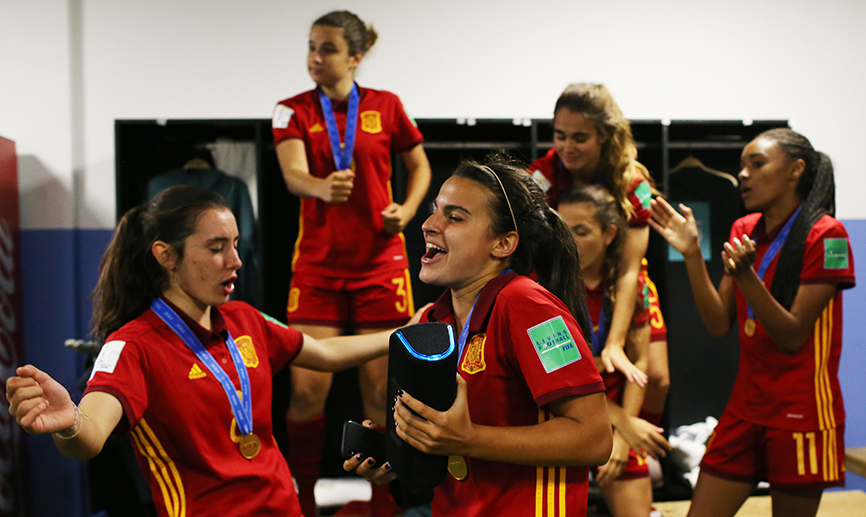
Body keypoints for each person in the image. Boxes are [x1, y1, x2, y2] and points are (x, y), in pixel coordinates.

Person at [5, 185, 412, 517]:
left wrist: (405, 332)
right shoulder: (131, 345)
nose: (235, 260)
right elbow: (90, 435)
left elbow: (325, 355)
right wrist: (69, 422)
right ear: (166, 255)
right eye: (217, 248)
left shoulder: (245, 319)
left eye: (235, 245)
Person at [345, 155, 613, 517]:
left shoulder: (528, 306)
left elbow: (594, 438)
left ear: (503, 244)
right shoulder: (433, 318)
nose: (428, 225)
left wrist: (469, 438)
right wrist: (399, 450)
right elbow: (453, 440)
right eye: (435, 211)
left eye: (454, 217)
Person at [271, 10, 431, 516]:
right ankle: (302, 498)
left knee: (380, 392)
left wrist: (406, 211)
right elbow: (293, 174)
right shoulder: (291, 109)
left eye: (328, 49)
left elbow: (420, 164)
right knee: (307, 390)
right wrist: (322, 186)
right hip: (317, 268)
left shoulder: (387, 106)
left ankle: (383, 501)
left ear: (355, 56)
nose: (316, 58)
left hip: (380, 265)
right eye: (312, 48)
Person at [649, 128, 853, 517]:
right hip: (745, 408)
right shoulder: (744, 229)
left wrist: (746, 277)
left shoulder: (829, 235)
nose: (743, 174)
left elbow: (792, 336)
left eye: (756, 164)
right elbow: (717, 324)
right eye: (741, 165)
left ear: (796, 170)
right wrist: (693, 254)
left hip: (802, 413)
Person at [527, 83, 663, 394]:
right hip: (561, 279)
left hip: (621, 282)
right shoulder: (541, 177)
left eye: (580, 138)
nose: (567, 147)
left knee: (656, 378)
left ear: (604, 135)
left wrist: (614, 343)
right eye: (560, 135)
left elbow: (631, 269)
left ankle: (639, 441)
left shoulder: (633, 184)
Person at [558, 186, 671, 517]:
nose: (571, 241)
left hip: (619, 411)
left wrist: (624, 437)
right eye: (564, 231)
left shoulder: (634, 286)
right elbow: (560, 377)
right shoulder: (547, 285)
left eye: (581, 231)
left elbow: (639, 363)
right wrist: (624, 423)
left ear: (609, 234)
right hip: (563, 416)